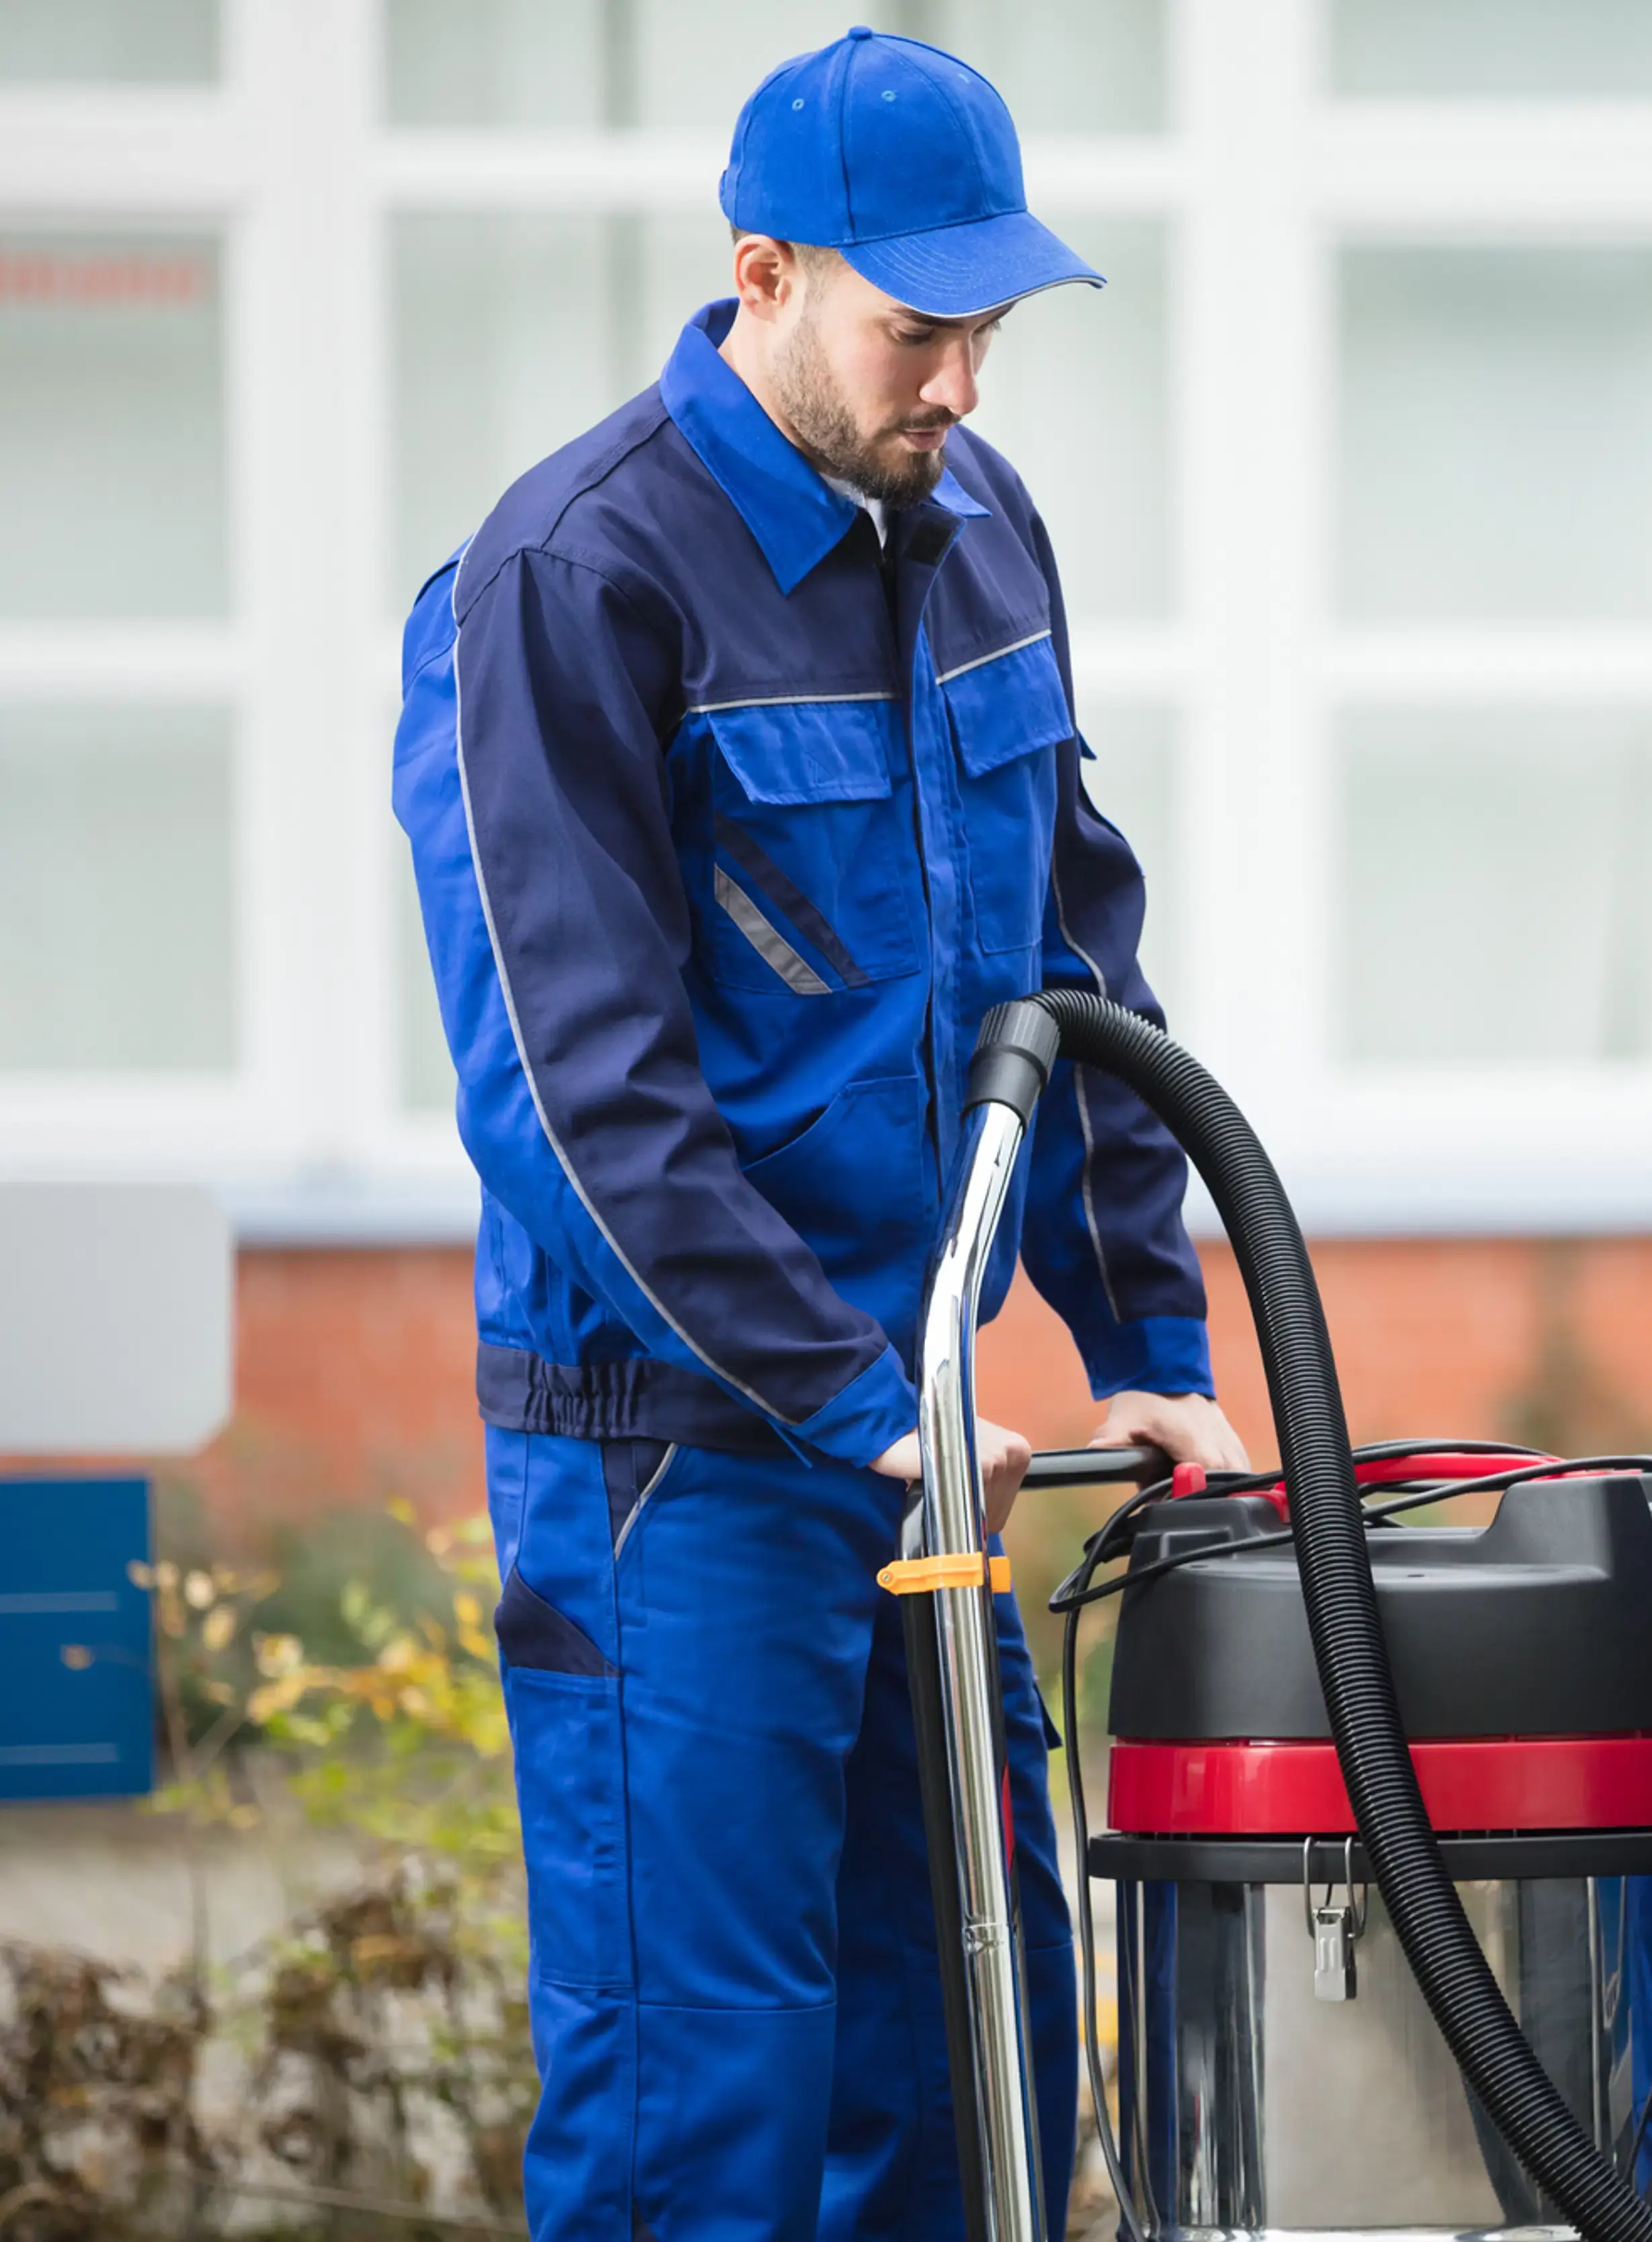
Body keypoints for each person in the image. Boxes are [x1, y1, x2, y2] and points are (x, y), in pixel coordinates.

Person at [393, 29, 1245, 2238]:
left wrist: (1144, 1324)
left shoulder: (979, 532)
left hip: (916, 1428)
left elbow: (1066, 981)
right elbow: (576, 1093)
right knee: (712, 2116)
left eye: (989, 331)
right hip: (677, 1459)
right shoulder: (569, 586)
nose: (961, 386)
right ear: (759, 275)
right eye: (915, 331)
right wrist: (864, 1400)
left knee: (974, 2064)